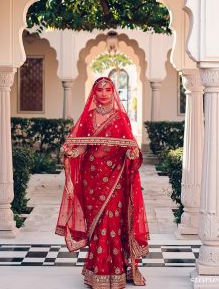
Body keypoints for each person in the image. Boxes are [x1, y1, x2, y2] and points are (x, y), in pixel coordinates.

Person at [55, 77, 150, 289]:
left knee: (112, 221)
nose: (104, 93)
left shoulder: (121, 118)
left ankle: (116, 271)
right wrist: (71, 151)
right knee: (97, 225)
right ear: (94, 93)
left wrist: (133, 153)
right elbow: (82, 147)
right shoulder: (88, 118)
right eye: (100, 90)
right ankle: (95, 271)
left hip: (115, 177)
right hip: (92, 178)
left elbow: (129, 148)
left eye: (108, 89)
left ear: (113, 92)